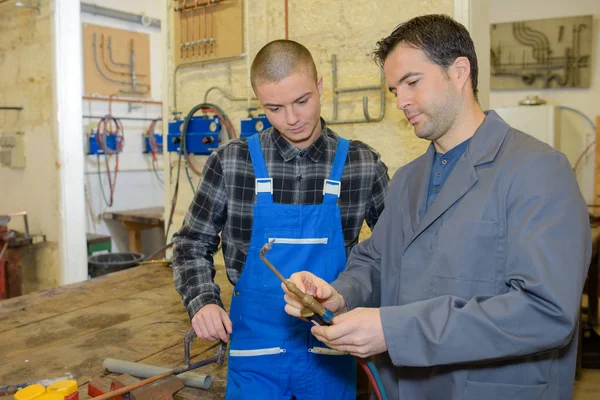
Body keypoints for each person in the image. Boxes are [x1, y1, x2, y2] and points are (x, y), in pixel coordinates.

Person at [283, 14, 591, 400]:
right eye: (395, 89)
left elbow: (545, 312)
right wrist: (338, 293)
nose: (401, 101)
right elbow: (376, 261)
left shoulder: (538, 170)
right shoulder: (410, 178)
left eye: (412, 82)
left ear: (459, 71)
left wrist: (393, 330)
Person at [172, 39, 389, 399]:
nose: (292, 118)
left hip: (331, 351)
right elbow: (191, 243)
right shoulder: (232, 162)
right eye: (274, 107)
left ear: (319, 86)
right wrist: (203, 301)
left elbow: (395, 254)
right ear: (259, 101)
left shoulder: (362, 165)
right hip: (254, 357)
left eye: (302, 101)